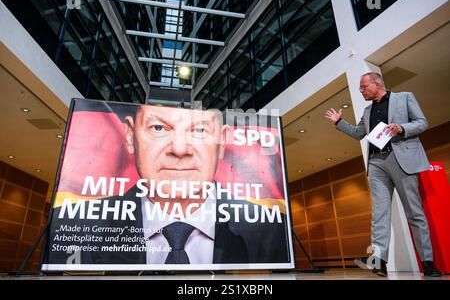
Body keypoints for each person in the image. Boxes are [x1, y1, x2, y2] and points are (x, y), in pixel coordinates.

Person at [46, 104, 289, 266]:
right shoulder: (74, 226)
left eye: (199, 130)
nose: (180, 149)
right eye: (159, 128)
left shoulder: (270, 231)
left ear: (222, 141)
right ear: (131, 136)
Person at [324, 72, 441, 277]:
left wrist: (402, 128)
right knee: (379, 214)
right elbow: (359, 133)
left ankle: (428, 263)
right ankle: (379, 261)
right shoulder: (368, 111)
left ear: (377, 84)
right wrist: (339, 122)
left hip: (401, 159)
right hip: (377, 163)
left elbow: (422, 122)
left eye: (363, 87)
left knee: (414, 213)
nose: (361, 91)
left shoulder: (404, 97)